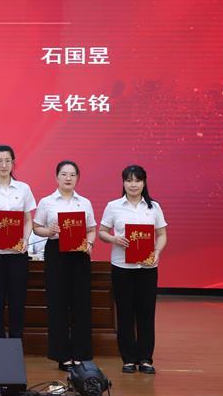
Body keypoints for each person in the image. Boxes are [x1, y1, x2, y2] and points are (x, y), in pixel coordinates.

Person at [98, 165, 168, 375]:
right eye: (129, 180)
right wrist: (114, 239)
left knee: (146, 313)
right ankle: (128, 359)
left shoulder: (154, 207)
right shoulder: (113, 206)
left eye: (137, 180)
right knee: (125, 313)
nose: (133, 184)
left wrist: (157, 252)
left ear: (144, 182)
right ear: (123, 183)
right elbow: (102, 232)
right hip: (122, 267)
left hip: (147, 267)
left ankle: (145, 358)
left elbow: (162, 234)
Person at [33, 160, 97, 371]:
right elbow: (36, 227)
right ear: (56, 177)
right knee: (57, 303)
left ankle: (81, 354)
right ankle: (61, 355)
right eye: (64, 174)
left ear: (77, 178)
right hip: (56, 254)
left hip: (79, 255)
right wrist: (49, 231)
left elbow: (91, 229)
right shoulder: (47, 202)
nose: (68, 178)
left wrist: (89, 244)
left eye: (72, 174)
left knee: (81, 304)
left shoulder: (84, 202)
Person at [0, 144, 36, 339]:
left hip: (17, 253)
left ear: (13, 163)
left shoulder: (23, 188)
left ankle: (16, 342)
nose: (3, 165)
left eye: (8, 161)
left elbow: (28, 220)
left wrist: (25, 239)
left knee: (17, 300)